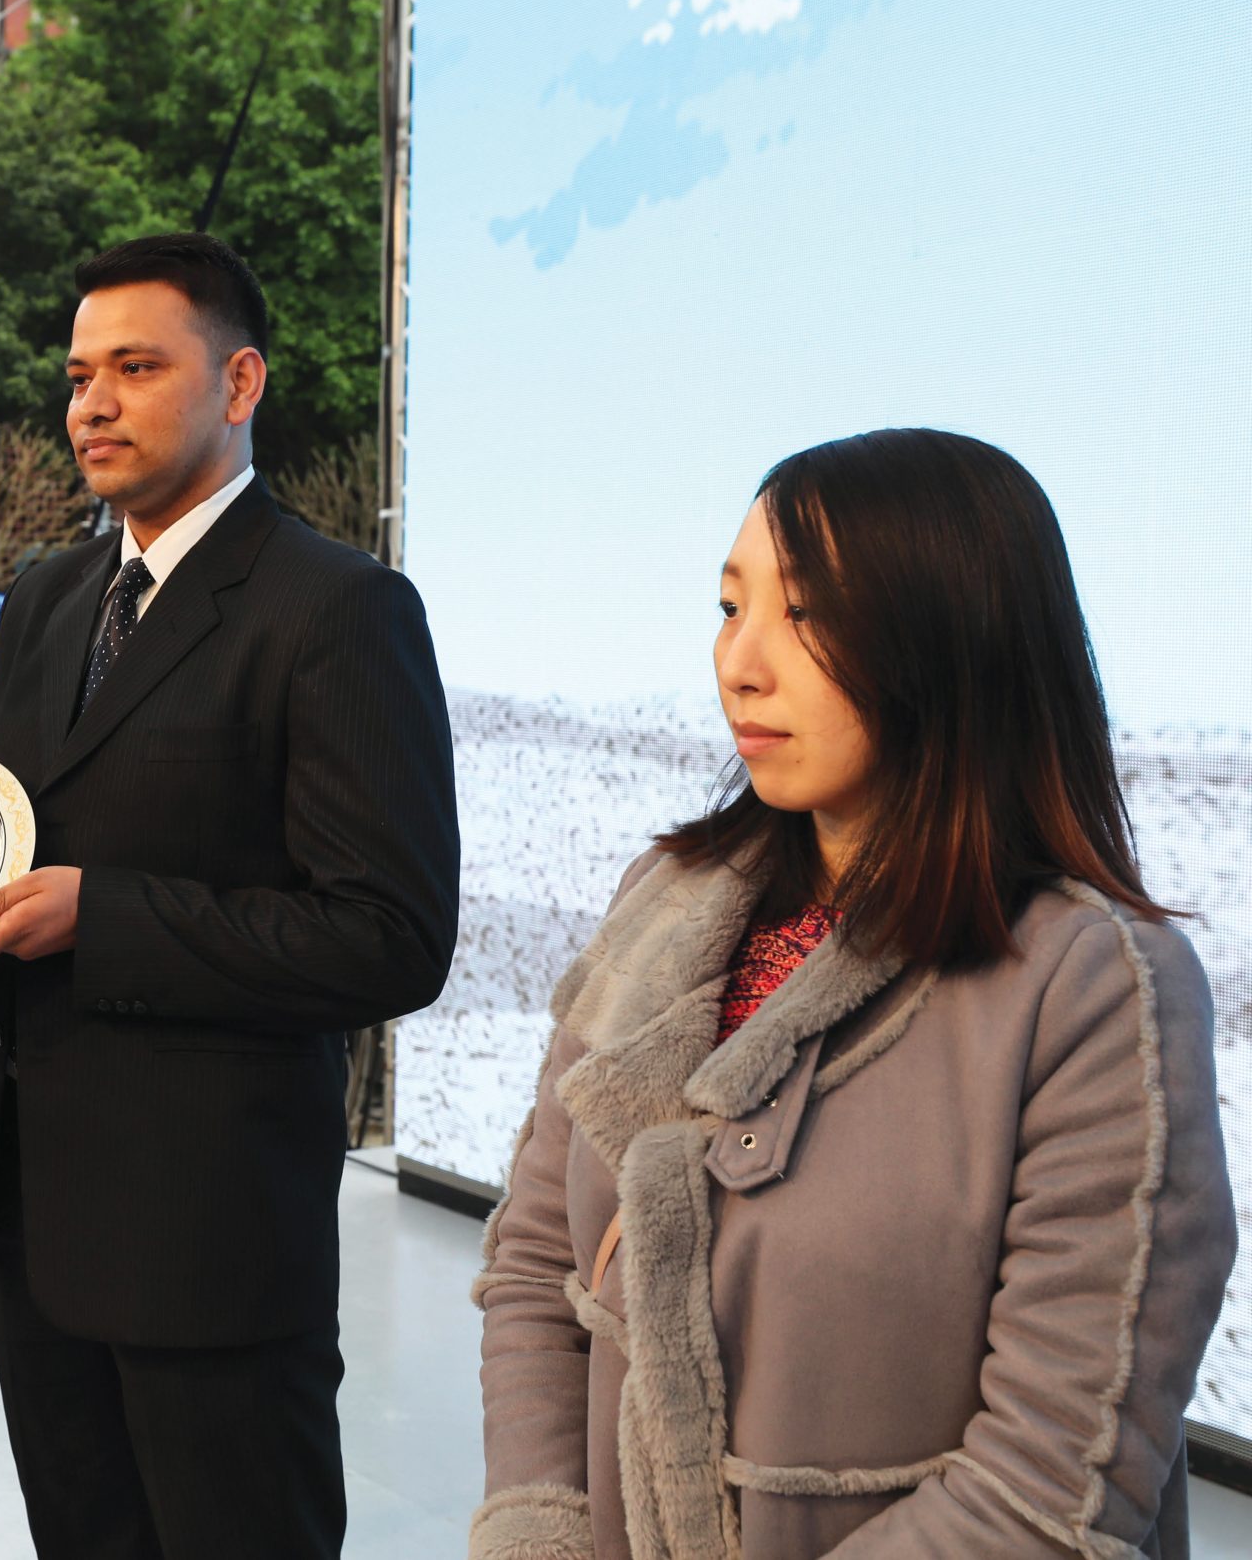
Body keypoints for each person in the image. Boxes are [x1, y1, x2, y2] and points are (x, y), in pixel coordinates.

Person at [471, 429, 1233, 1560]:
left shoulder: (1089, 983)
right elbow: (535, 1266)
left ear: (951, 637)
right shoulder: (666, 901)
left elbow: (1047, 1484)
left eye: (809, 615)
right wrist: (541, 1535)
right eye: (731, 608)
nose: (741, 661)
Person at [0, 233, 460, 1559]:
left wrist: (101, 915)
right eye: (76, 372)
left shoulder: (337, 607)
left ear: (240, 382)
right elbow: (13, 847)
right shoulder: (46, 598)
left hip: (215, 1246)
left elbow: (389, 933)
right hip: (38, 1225)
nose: (90, 402)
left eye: (136, 367)